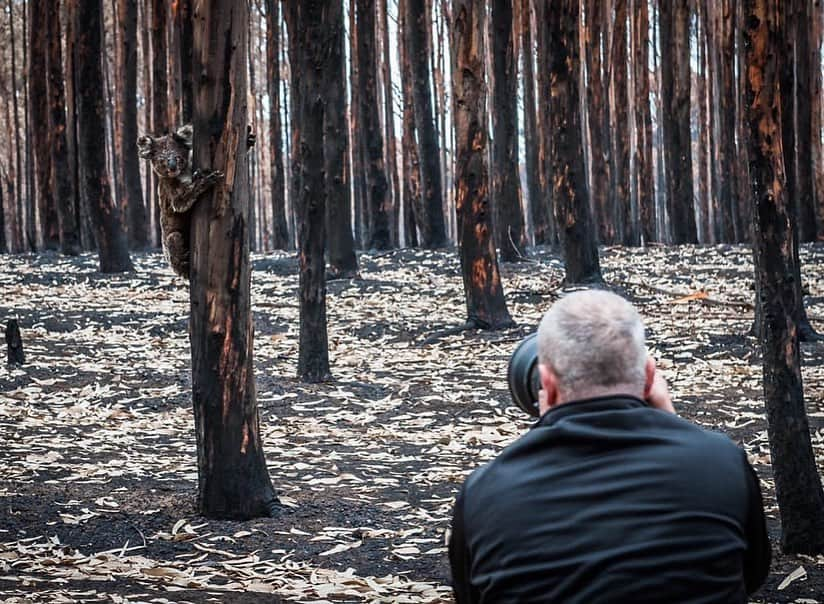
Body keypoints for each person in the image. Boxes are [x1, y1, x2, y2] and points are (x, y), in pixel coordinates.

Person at [448, 290, 770, 603]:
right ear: (649, 376)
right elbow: (751, 574)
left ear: (546, 384)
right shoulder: (722, 463)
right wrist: (674, 425)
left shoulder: (484, 493)